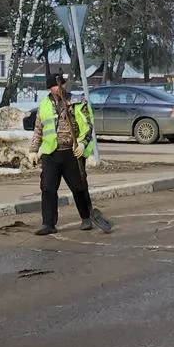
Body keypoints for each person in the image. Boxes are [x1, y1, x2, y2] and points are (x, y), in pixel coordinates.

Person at [29, 73, 111, 236]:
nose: (60, 88)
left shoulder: (77, 102)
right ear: (49, 88)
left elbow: (88, 125)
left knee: (78, 187)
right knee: (47, 188)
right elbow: (39, 129)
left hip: (71, 152)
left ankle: (87, 217)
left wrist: (82, 143)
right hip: (51, 153)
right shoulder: (44, 105)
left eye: (62, 84)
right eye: (56, 86)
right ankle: (48, 223)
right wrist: (33, 150)